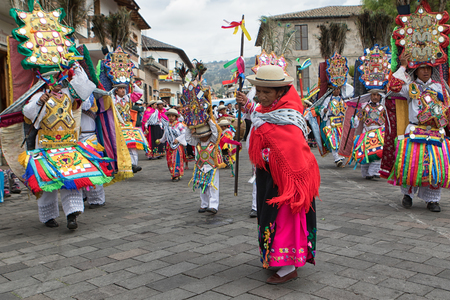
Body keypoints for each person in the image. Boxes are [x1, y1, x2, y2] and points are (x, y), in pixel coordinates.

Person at [241, 65, 320, 284]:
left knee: (285, 220)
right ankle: (278, 259)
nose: (261, 96)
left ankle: (288, 267)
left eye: (267, 92)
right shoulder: (265, 112)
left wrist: (266, 142)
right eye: (259, 91)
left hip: (287, 183)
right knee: (270, 218)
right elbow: (262, 128)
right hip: (269, 177)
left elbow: (291, 147)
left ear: (280, 92)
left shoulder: (288, 115)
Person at [22, 67, 112, 230]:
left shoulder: (68, 94)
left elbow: (85, 87)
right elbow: (28, 113)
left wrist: (76, 65)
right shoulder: (38, 96)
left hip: (68, 146)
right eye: (54, 79)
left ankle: (72, 214)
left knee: (71, 181)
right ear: (45, 80)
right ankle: (48, 216)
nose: (58, 82)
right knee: (48, 182)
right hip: (45, 146)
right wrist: (40, 102)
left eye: (59, 77)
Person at [388, 52, 450, 212]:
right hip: (415, 131)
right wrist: (402, 65)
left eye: (428, 68)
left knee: (435, 166)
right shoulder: (409, 86)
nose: (425, 71)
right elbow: (393, 85)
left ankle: (432, 200)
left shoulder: (439, 86)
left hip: (436, 132)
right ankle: (408, 195)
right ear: (415, 70)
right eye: (421, 68)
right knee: (411, 164)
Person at [185, 119, 223, 214]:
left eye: (204, 136)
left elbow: (215, 131)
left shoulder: (213, 140)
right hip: (200, 167)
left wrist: (209, 120)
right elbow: (188, 138)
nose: (203, 138)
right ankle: (204, 204)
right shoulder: (196, 142)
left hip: (212, 167)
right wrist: (188, 126)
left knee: (213, 186)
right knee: (202, 185)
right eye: (201, 136)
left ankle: (213, 206)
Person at [351, 89, 386, 180]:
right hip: (366, 132)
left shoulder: (383, 108)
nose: (375, 97)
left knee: (378, 151)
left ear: (380, 97)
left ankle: (374, 172)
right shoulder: (364, 107)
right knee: (366, 152)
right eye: (373, 95)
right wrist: (355, 120)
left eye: (377, 95)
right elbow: (357, 119)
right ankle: (366, 173)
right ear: (370, 96)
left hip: (379, 132)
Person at [113, 83, 148, 173]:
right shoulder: (112, 99)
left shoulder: (127, 98)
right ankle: (122, 165)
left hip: (128, 125)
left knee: (132, 145)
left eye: (124, 88)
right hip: (118, 126)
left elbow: (140, 92)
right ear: (116, 91)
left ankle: (133, 164)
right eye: (120, 88)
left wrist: (133, 84)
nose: (123, 90)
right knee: (120, 146)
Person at [80, 94, 106, 209]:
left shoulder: (89, 95)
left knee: (92, 168)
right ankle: (81, 196)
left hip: (89, 138)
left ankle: (96, 198)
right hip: (72, 139)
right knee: (77, 169)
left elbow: (85, 105)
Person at [156, 109, 187, 181]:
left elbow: (184, 133)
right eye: (169, 116)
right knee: (169, 160)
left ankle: (176, 175)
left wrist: (178, 139)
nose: (171, 117)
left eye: (173, 116)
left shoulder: (179, 125)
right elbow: (165, 136)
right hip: (169, 146)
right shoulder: (167, 125)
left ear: (176, 117)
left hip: (177, 146)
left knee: (176, 159)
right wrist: (160, 140)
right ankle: (173, 173)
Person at [321, 86, 347, 167]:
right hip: (331, 122)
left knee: (341, 140)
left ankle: (341, 157)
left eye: (339, 89)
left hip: (341, 122)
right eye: (336, 89)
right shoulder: (328, 99)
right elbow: (322, 108)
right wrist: (324, 110)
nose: (337, 91)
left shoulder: (343, 99)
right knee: (333, 140)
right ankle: (337, 159)